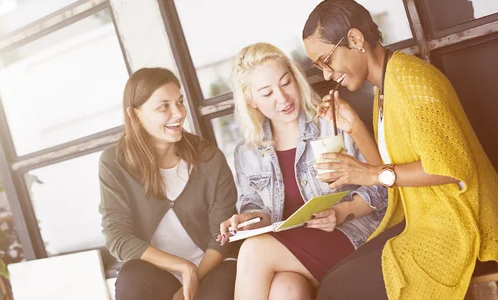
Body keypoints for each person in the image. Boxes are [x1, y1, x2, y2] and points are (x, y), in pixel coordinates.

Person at [301, 1, 498, 299]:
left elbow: (447, 167)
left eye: (327, 60)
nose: (327, 74)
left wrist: (368, 174)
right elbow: (388, 168)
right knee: (331, 280)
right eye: (319, 67)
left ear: (355, 40)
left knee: (336, 289)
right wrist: (354, 126)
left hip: (463, 225)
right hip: (426, 218)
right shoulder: (385, 86)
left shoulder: (412, 81)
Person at [218, 42, 388, 300]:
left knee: (253, 251)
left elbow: (381, 187)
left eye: (286, 83)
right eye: (267, 93)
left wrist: (341, 212)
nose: (282, 98)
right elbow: (256, 207)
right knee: (285, 290)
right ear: (250, 100)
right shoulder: (247, 151)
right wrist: (246, 220)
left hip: (349, 233)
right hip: (291, 249)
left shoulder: (332, 123)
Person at [99, 67, 237, 300]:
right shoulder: (115, 163)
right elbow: (117, 237)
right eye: (164, 106)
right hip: (159, 273)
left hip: (214, 267)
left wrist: (193, 278)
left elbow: (223, 235)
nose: (179, 113)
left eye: (179, 102)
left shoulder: (209, 158)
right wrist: (183, 267)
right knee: (131, 276)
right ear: (135, 114)